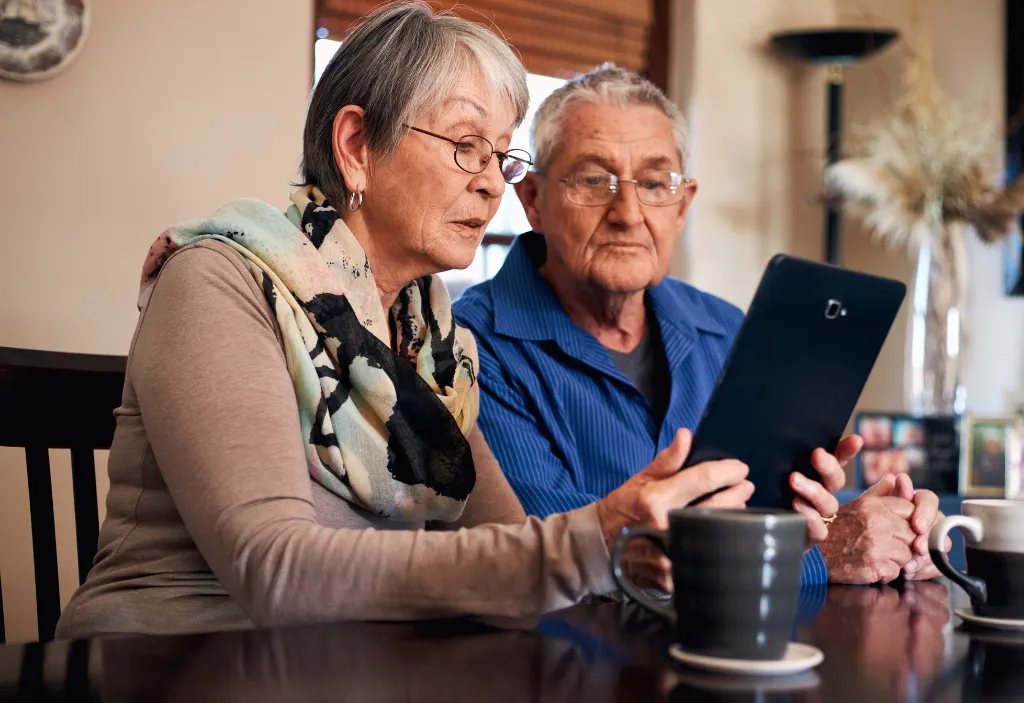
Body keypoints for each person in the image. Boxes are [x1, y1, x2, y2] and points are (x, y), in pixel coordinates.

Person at [54, 3, 768, 640]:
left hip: (350, 665)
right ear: (357, 145)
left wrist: (624, 552)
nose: (492, 181)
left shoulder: (435, 344)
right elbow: (271, 569)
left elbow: (514, 567)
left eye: (499, 152)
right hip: (171, 660)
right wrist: (589, 537)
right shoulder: (220, 280)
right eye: (465, 146)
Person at [454, 66, 947, 588]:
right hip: (566, 662)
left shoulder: (726, 329)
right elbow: (548, 553)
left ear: (683, 204)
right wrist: (818, 555)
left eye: (653, 183)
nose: (628, 212)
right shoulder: (468, 346)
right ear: (533, 200)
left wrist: (883, 529)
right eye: (594, 180)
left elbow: (776, 509)